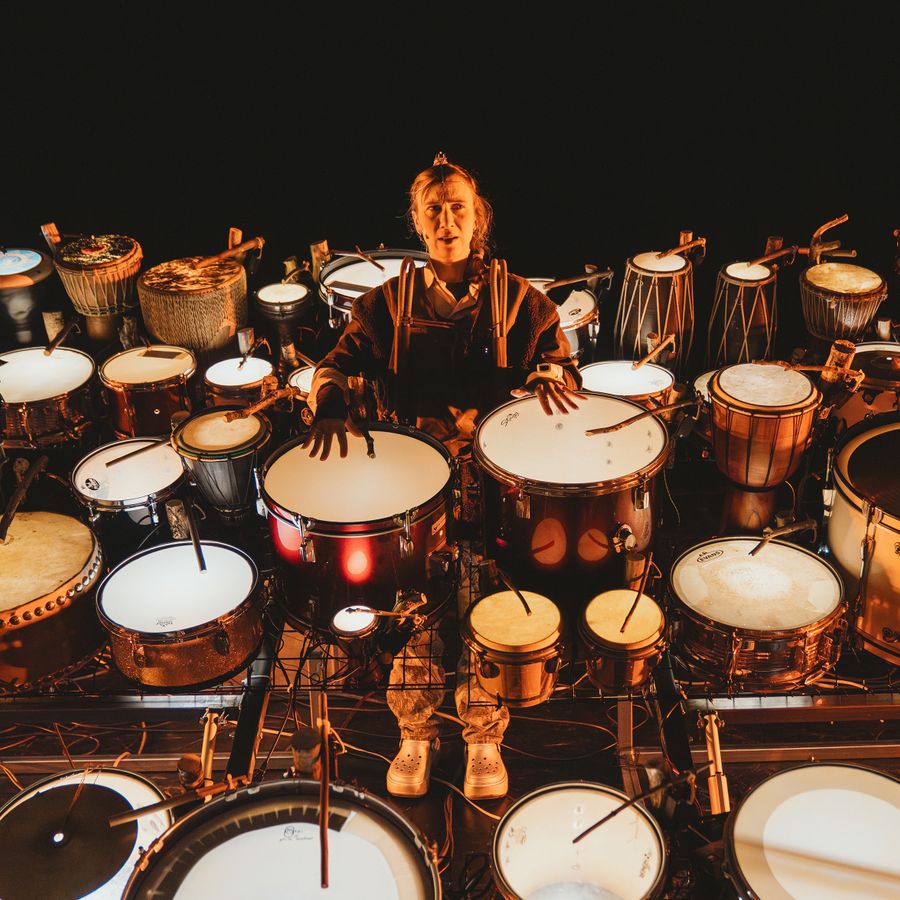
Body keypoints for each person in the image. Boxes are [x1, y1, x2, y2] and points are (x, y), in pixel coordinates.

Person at [304, 153, 581, 800]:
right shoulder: (386, 303)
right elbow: (335, 365)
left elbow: (560, 363)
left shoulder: (521, 300)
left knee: (485, 598)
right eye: (434, 209)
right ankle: (416, 731)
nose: (447, 219)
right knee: (417, 604)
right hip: (416, 487)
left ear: (478, 218)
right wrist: (332, 401)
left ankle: (484, 734)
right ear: (419, 222)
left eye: (459, 207)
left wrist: (551, 376)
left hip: (494, 484)